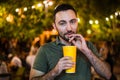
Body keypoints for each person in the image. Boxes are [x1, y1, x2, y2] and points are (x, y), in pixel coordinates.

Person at [30, 4, 111, 80]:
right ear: (54, 26)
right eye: (62, 23)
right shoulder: (45, 50)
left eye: (72, 22)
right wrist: (54, 72)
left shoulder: (87, 46)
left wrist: (87, 52)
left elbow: (108, 75)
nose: (69, 28)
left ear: (77, 22)